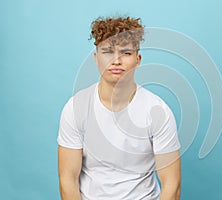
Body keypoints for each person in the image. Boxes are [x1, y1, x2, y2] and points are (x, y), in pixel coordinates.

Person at [57, 16, 181, 200]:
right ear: (96, 58)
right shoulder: (75, 108)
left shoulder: (157, 111)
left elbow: (172, 185)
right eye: (107, 51)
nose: (116, 60)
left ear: (138, 59)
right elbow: (67, 179)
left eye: (126, 53)